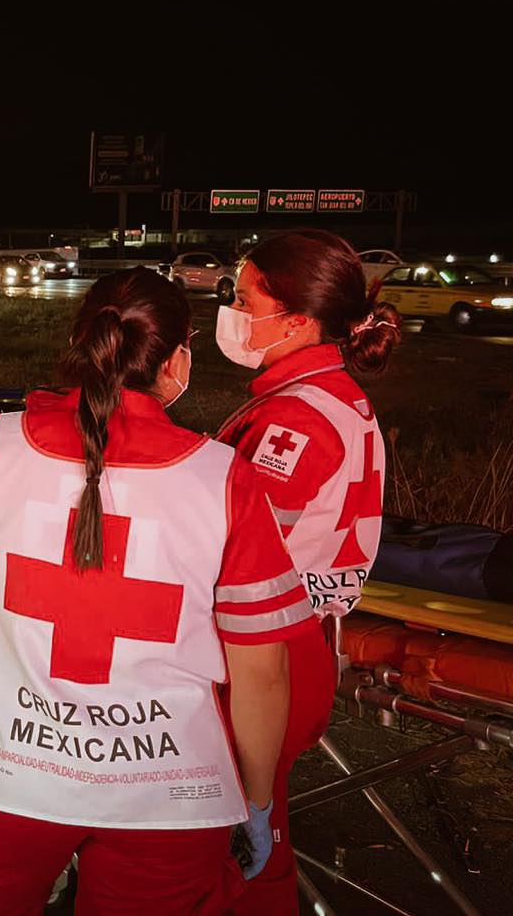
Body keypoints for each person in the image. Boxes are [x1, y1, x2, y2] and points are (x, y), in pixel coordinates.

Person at [0, 267, 315, 914]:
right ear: (176, 359)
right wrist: (255, 800)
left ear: (84, 341)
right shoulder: (223, 479)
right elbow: (262, 671)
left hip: (9, 776)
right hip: (171, 799)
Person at [214, 229, 402, 914]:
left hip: (260, 660)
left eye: (241, 298)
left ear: (295, 320)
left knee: (224, 857)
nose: (229, 311)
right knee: (254, 847)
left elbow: (232, 557)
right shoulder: (321, 393)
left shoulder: (295, 420)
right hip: (293, 651)